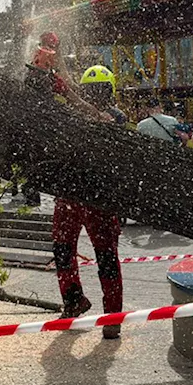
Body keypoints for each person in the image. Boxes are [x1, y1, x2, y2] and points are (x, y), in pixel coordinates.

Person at [51, 65, 125, 339]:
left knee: (106, 257)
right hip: (69, 194)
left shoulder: (115, 117)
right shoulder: (72, 114)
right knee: (61, 249)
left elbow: (99, 119)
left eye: (101, 89)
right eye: (93, 89)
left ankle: (113, 316)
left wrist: (67, 92)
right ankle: (73, 300)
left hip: (99, 198)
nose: (97, 94)